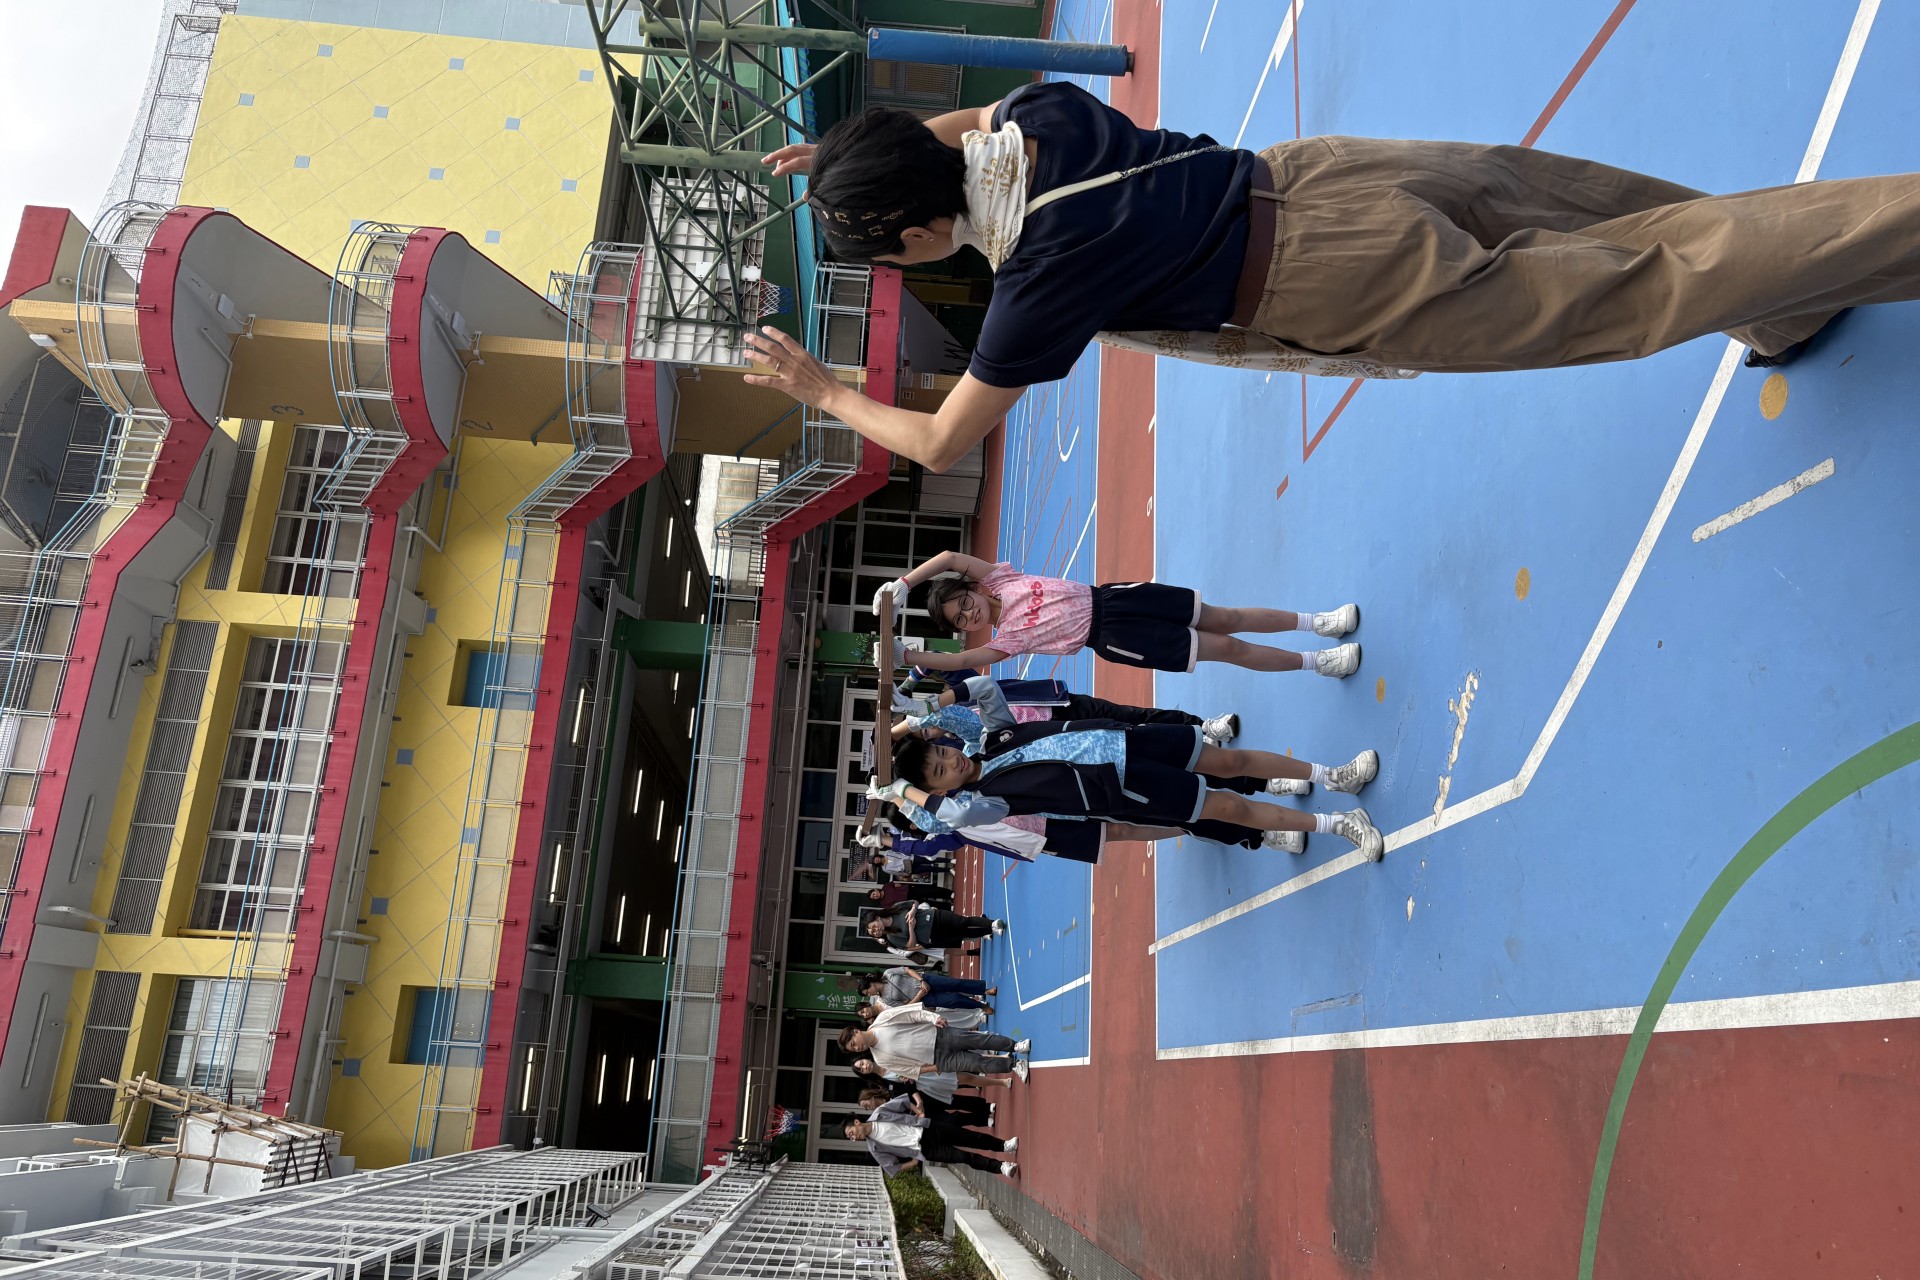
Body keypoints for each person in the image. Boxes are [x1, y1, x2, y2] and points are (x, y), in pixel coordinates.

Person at [745, 83, 1920, 471]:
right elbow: (952, 135)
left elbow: (942, 441)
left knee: (1633, 286)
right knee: (1597, 205)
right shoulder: (1039, 119)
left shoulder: (1036, 281)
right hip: (1324, 173)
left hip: (1333, 277)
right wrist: (856, 163)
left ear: (914, 235)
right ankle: (1789, 307)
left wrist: (824, 389)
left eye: (885, 246)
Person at [885, 700, 1383, 858]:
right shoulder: (988, 801)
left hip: (1128, 740)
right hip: (1122, 789)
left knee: (1231, 764)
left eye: (942, 753)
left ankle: (1332, 775)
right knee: (1230, 808)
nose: (950, 762)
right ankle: (1338, 824)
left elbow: (980, 690)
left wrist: (918, 714)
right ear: (940, 789)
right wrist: (904, 792)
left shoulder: (990, 737)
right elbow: (951, 818)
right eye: (939, 771)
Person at [873, 551, 1361, 678]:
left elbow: (950, 558)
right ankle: (1317, 663)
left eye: (964, 604)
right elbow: (960, 663)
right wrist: (908, 655)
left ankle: (1316, 622)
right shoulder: (1008, 641)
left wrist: (904, 585)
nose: (970, 615)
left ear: (971, 589)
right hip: (1113, 637)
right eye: (962, 621)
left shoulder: (1000, 579)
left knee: (1225, 617)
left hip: (1117, 598)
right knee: (1226, 648)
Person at [894, 670, 1241, 749]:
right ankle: (1194, 743)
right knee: (1134, 737)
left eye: (925, 724)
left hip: (1059, 705)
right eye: (927, 732)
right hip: (1060, 736)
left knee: (1132, 714)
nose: (932, 728)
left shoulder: (961, 692)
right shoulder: (967, 742)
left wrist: (908, 688)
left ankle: (1202, 726)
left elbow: (935, 663)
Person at [841, 1003, 1031, 1081]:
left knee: (980, 1040)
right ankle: (1014, 1065)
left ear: (856, 1032)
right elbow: (908, 1070)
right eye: (854, 1049)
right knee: (978, 1064)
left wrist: (934, 1018)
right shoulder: (880, 1059)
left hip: (939, 1035)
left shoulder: (882, 1019)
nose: (858, 1048)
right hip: (938, 1060)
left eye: (854, 1043)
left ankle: (1015, 1046)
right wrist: (933, 1068)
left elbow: (912, 1014)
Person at [847, 1093, 1017, 1178]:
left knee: (969, 1137)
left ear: (856, 1122)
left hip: (928, 1128)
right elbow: (892, 1167)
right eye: (851, 1138)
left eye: (852, 1133)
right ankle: (1001, 1167)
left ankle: (1004, 1146)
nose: (854, 1138)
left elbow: (903, 1101)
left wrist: (918, 1112)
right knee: (963, 1157)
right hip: (925, 1149)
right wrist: (914, 1162)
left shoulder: (879, 1113)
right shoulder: (875, 1148)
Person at [865, 900, 1002, 950]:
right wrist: (911, 929)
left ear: (877, 917)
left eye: (874, 926)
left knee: (963, 921)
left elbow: (914, 902)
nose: (876, 930)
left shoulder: (895, 908)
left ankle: (992, 923)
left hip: (934, 917)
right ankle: (989, 930)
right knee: (963, 933)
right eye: (874, 933)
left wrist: (913, 911)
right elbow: (910, 946)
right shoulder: (892, 937)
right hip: (932, 935)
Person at [863, 966, 995, 1014]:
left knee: (956, 983)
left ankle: (984, 990)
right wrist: (919, 996)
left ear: (870, 983)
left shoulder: (888, 974)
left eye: (867, 991)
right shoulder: (885, 999)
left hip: (926, 980)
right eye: (867, 994)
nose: (869, 994)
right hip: (925, 998)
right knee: (954, 1000)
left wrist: (921, 980)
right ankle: (981, 1006)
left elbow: (907, 970)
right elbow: (904, 1007)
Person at [860, 1084, 994, 1130]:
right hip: (922, 1115)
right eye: (866, 1109)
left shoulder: (889, 1089)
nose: (869, 1108)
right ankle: (982, 1120)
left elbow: (908, 1087)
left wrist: (918, 1101)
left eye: (866, 1105)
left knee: (955, 1101)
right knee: (952, 1120)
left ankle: (985, 1107)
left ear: (871, 1096)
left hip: (926, 1099)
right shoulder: (884, 1113)